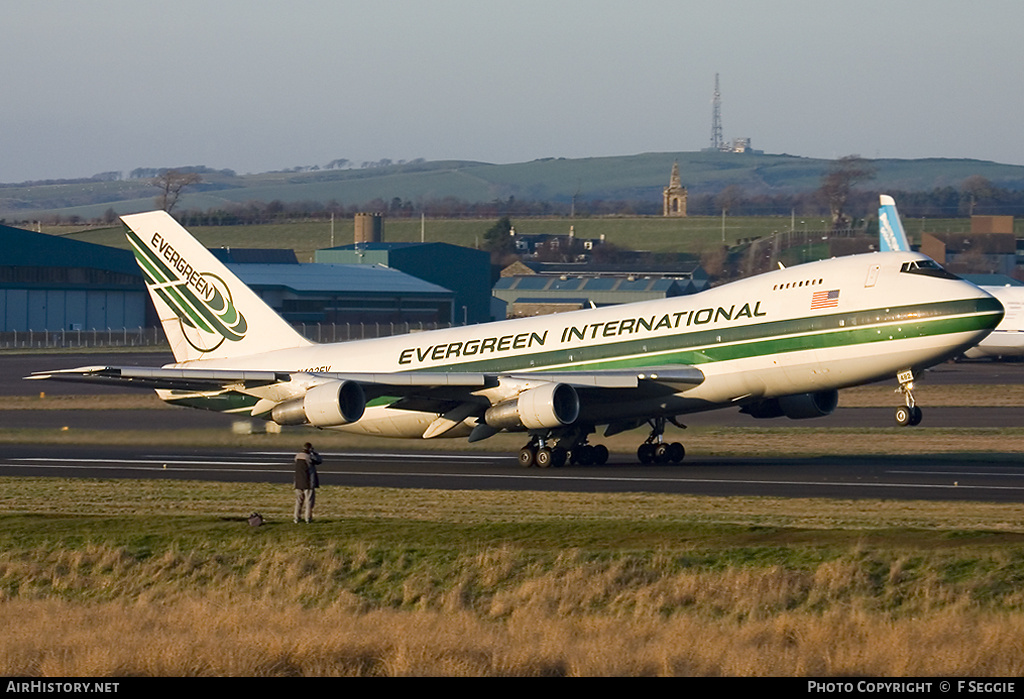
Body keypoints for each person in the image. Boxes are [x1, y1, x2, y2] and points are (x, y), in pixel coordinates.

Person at [293, 442, 322, 523]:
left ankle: (296, 517)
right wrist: (314, 453)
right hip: (308, 481)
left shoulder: (297, 456)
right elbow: (319, 461)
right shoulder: (309, 457)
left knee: (299, 501)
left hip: (298, 482)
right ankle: (308, 518)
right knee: (309, 501)